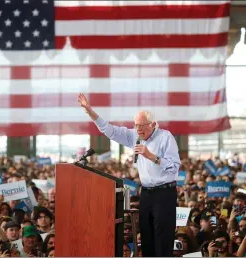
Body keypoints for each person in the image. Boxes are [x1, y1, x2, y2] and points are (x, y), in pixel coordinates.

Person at [78, 93, 181, 257]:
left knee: (162, 238)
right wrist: (90, 111)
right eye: (136, 125)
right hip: (146, 193)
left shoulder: (165, 137)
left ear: (153, 124)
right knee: (146, 237)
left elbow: (175, 167)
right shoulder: (134, 136)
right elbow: (109, 130)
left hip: (164, 192)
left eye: (142, 125)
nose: (138, 129)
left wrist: (152, 157)